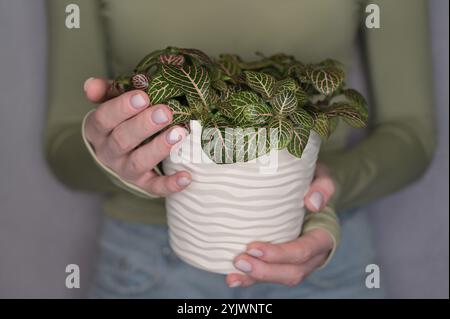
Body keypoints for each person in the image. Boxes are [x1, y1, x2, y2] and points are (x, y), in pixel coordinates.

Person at [45, 0, 435, 298]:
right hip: (149, 267)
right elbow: (62, 143)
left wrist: (325, 193)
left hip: (325, 259)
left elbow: (412, 133)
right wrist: (117, 158)